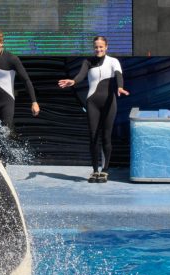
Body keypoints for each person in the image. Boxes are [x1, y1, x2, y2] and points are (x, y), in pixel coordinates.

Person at [58, 36, 129, 183]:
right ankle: (95, 170)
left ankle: (105, 170)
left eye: (101, 47)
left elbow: (118, 75)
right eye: (96, 47)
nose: (98, 49)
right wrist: (73, 81)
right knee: (93, 137)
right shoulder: (88, 61)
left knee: (106, 137)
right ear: (93, 47)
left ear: (106, 47)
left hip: (109, 102)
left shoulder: (113, 61)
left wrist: (120, 87)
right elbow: (81, 75)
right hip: (92, 103)